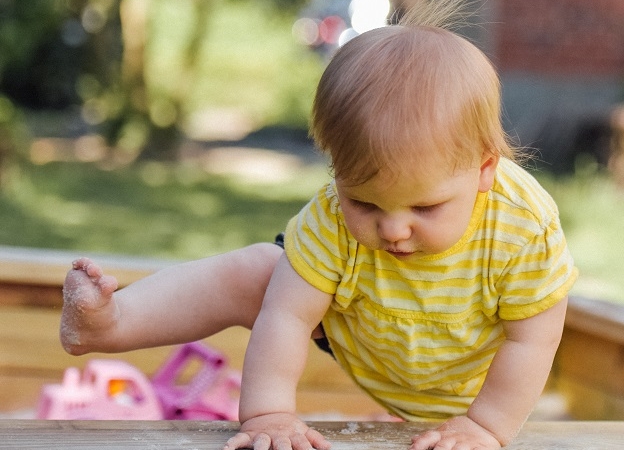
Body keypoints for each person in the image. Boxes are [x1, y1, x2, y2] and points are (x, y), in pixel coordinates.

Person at [57, 1, 578, 449]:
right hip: (367, 327)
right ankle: (112, 320)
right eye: (366, 204)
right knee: (261, 271)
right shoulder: (331, 215)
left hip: (473, 373)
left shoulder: (521, 226)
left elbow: (532, 339)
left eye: (424, 209)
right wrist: (268, 413)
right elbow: (285, 315)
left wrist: (486, 426)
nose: (393, 230)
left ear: (484, 170)